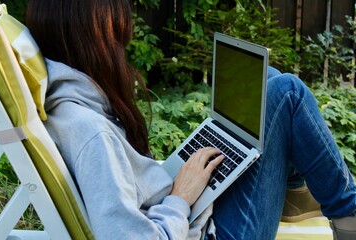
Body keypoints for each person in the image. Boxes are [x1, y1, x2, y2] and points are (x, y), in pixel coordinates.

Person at [25, 0, 356, 239]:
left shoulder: (66, 104)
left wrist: (180, 186)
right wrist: (180, 197)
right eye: (117, 29)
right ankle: (348, 214)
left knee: (266, 79)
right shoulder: (91, 133)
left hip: (190, 217)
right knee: (287, 93)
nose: (123, 40)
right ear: (92, 36)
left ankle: (294, 188)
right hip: (212, 233)